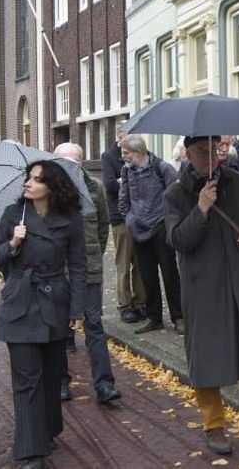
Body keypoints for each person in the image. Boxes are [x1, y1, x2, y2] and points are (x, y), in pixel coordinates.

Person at [163, 136, 239, 456]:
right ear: (188, 154)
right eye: (201, 153)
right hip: (204, 285)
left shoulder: (237, 181)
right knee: (206, 354)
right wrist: (201, 208)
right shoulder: (176, 193)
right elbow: (178, 241)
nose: (210, 158)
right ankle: (213, 425)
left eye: (214, 151)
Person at [0, 160, 87, 469]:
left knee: (51, 373)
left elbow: (79, 267)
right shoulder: (12, 215)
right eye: (28, 178)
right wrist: (14, 243)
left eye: (37, 180)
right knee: (27, 378)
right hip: (20, 303)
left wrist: (77, 309)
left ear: (52, 187)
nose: (28, 183)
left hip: (55, 302)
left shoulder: (70, 221)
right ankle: (32, 450)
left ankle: (47, 429)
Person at [53, 143, 120, 405]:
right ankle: (59, 381)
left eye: (75, 161)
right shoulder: (48, 193)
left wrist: (93, 254)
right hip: (58, 272)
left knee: (94, 325)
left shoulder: (95, 189)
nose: (71, 166)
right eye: (65, 162)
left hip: (89, 271)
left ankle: (104, 384)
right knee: (58, 328)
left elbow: (104, 227)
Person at [119, 135, 184, 335]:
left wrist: (168, 222)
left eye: (125, 153)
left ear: (138, 153)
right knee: (147, 277)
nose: (123, 157)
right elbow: (123, 199)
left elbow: (177, 196)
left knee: (170, 275)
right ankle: (154, 318)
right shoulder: (126, 171)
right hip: (138, 231)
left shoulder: (162, 168)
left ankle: (179, 317)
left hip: (161, 229)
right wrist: (130, 218)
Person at [102, 129, 147, 323]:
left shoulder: (140, 154)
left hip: (141, 218)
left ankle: (140, 302)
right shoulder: (109, 156)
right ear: (119, 133)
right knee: (123, 264)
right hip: (120, 218)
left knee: (140, 263)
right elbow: (110, 185)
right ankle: (124, 305)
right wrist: (125, 180)